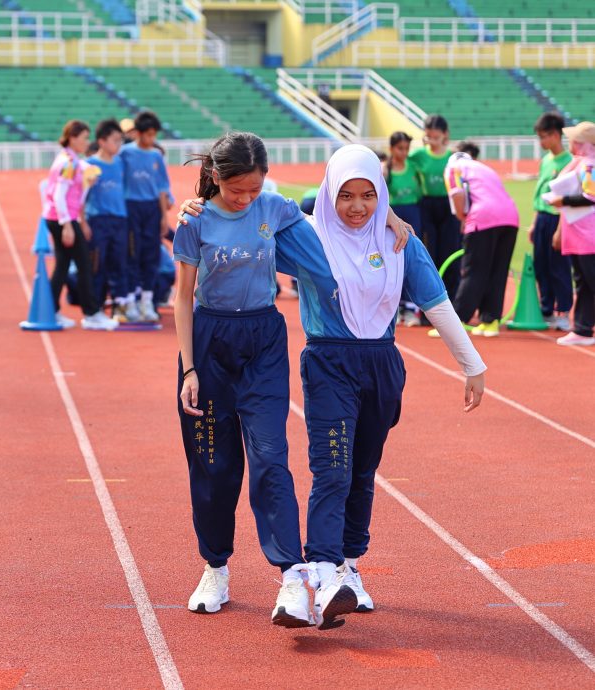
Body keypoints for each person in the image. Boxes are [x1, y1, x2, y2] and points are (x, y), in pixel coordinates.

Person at [274, 145, 485, 625]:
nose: (356, 206)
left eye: (369, 195)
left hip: (383, 366)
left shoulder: (400, 242)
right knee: (332, 469)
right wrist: (203, 200)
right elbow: (259, 210)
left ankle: (348, 566)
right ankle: (323, 571)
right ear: (328, 194)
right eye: (344, 195)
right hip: (329, 362)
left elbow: (435, 301)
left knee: (362, 472)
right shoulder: (309, 236)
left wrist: (471, 364)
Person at [173, 132, 324, 628]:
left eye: (254, 190)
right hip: (210, 343)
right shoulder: (194, 222)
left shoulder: (275, 207)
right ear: (216, 178)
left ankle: (291, 574)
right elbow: (183, 299)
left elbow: (339, 217)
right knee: (214, 468)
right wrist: (190, 368)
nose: (246, 199)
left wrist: (387, 214)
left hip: (262, 340)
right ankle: (215, 567)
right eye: (237, 190)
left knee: (270, 457)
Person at [43, 120, 119, 331]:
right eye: (84, 138)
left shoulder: (70, 160)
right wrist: (67, 224)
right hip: (62, 219)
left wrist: (89, 173)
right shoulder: (68, 163)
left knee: (63, 265)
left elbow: (83, 168)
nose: (87, 142)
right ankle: (92, 313)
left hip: (58, 218)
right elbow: (59, 195)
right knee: (84, 264)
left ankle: (52, 310)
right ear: (73, 138)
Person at [441, 142, 519, 337]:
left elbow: (457, 194)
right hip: (510, 218)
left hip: (482, 218)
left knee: (473, 270)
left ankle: (455, 323)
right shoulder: (484, 168)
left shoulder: (452, 168)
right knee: (497, 270)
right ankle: (490, 321)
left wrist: (461, 217)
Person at [121, 110, 172, 323]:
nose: (152, 139)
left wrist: (163, 217)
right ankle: (130, 303)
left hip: (151, 209)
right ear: (138, 133)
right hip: (131, 208)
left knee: (151, 256)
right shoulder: (125, 153)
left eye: (154, 135)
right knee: (132, 255)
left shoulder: (156, 156)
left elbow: (161, 188)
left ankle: (148, 303)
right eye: (148, 135)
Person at [547, 121, 595, 346]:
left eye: (575, 140)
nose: (571, 143)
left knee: (590, 279)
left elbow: (590, 196)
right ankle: (583, 329)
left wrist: (562, 200)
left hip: (589, 235)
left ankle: (584, 328)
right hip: (579, 233)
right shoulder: (581, 163)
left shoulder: (590, 165)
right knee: (584, 281)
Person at [531, 112, 574, 331]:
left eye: (544, 137)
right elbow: (540, 194)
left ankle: (563, 311)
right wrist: (534, 222)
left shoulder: (570, 162)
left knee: (559, 266)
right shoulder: (546, 161)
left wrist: (559, 231)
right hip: (542, 218)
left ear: (556, 135)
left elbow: (566, 200)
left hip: (559, 219)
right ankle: (546, 308)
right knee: (541, 264)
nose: (541, 142)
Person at [409, 115, 461, 297]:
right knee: (430, 252)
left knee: (450, 251)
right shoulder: (418, 155)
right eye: (428, 137)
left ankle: (453, 297)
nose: (432, 141)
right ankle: (431, 297)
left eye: (436, 137)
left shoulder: (452, 157)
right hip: (427, 206)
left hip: (449, 206)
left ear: (445, 135)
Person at [83, 119, 130, 319]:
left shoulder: (120, 163)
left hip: (119, 220)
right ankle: (96, 307)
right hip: (98, 220)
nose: (118, 145)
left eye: (121, 140)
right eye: (115, 140)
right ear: (102, 141)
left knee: (119, 263)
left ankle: (119, 308)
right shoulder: (90, 165)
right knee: (97, 265)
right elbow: (81, 196)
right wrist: (82, 221)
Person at [385, 132, 425, 327]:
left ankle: (411, 308)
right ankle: (396, 307)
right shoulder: (387, 170)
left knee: (410, 259)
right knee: (394, 260)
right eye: (400, 148)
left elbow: (421, 191)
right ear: (392, 149)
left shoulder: (414, 167)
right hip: (395, 216)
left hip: (413, 213)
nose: (404, 152)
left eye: (407, 148)